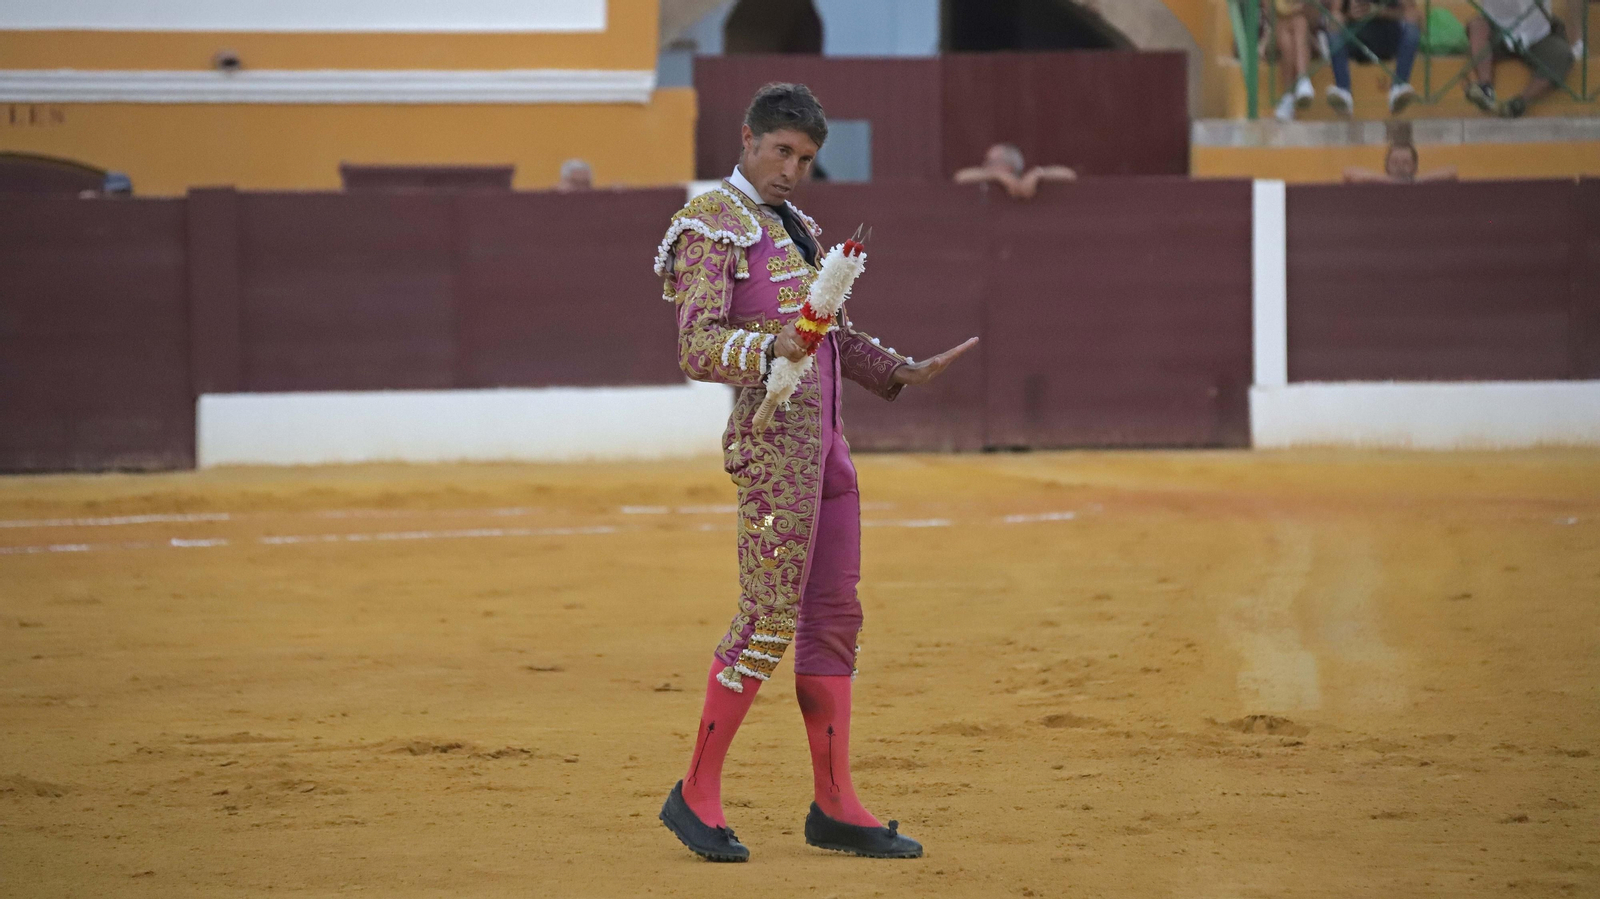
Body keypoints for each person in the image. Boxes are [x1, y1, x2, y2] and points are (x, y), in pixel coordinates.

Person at [652, 82, 977, 863]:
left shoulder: (796, 226)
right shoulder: (711, 222)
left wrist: (899, 369)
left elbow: (828, 334)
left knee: (833, 620)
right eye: (781, 152)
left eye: (805, 159)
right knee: (766, 618)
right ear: (747, 138)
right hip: (773, 451)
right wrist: (770, 346)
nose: (792, 170)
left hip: (827, 450)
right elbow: (697, 345)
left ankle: (835, 803)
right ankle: (695, 790)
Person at [1465, 0, 1575, 117]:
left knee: (1562, 54)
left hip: (1537, 34)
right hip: (1499, 30)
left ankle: (1519, 104)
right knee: (1477, 25)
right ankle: (1485, 88)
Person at [1325, 0, 1422, 115]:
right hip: (1355, 38)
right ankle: (1343, 90)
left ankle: (1399, 86)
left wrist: (1380, 12)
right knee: (1334, 22)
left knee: (1413, 24)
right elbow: (1334, 13)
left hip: (1387, 38)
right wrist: (1349, 15)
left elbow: (1412, 13)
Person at [952, 143, 1077, 199]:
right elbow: (960, 177)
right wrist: (996, 175)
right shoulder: (989, 180)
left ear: (1008, 166)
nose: (985, 166)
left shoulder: (1027, 178)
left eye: (991, 162)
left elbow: (1069, 175)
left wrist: (1039, 173)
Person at [1270, 0, 1319, 121]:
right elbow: (1271, 15)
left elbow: (1314, 19)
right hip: (1275, 33)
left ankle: (1288, 97)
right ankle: (1302, 81)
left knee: (1299, 23)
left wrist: (1302, 9)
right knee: (1286, 28)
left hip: (1308, 35)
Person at [1342, 141, 1458, 182]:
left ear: (1415, 166)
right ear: (1386, 166)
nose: (1400, 167)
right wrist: (1390, 181)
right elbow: (1349, 172)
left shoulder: (1420, 184)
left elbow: (1451, 172)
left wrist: (1412, 182)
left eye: (1406, 162)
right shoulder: (1379, 183)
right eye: (1394, 162)